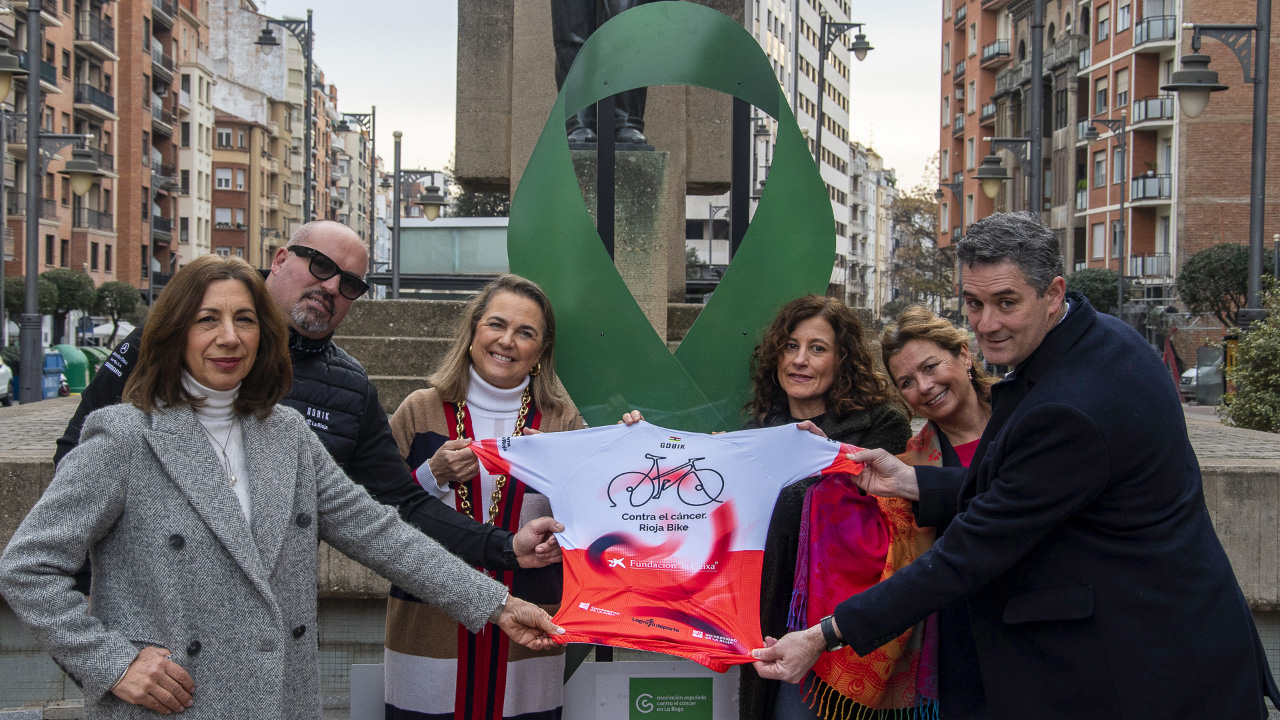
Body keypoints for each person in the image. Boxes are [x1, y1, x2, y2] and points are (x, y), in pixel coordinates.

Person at [752, 212, 1280, 720]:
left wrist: (825, 634)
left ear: (1052, 293)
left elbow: (972, 550)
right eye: (974, 303)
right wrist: (913, 480)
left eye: (1006, 303)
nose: (987, 324)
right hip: (1157, 648)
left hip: (1146, 675)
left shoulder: (1069, 407)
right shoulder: (1103, 338)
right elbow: (1040, 492)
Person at [0, 255, 563, 719]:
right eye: (207, 320)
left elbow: (383, 534)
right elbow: (26, 569)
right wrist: (113, 663)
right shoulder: (125, 437)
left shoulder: (286, 435)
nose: (229, 338)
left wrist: (496, 603)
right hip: (170, 705)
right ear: (174, 333)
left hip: (280, 701)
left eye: (245, 320)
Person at [55, 221, 560, 596]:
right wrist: (102, 636)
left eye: (351, 283)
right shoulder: (168, 341)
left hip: (270, 633)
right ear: (279, 259)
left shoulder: (349, 389)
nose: (331, 287)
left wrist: (503, 549)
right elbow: (78, 460)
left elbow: (395, 511)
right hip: (155, 617)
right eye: (319, 265)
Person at [382, 275, 582, 720]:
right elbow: (375, 515)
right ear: (473, 332)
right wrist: (430, 475)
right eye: (496, 324)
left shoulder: (562, 421)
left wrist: (559, 481)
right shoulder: (419, 409)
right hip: (428, 621)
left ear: (541, 352)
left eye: (526, 333)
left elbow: (594, 520)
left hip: (530, 624)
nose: (507, 341)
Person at [735, 295, 913, 720]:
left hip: (844, 636)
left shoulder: (880, 428)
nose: (799, 360)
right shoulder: (756, 434)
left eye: (817, 348)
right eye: (790, 346)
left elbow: (892, 537)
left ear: (842, 361)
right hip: (764, 626)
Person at [881, 305, 996, 720]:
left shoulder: (1029, 419)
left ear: (964, 356)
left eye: (931, 367)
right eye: (907, 382)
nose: (925, 387)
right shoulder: (909, 464)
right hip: (961, 642)